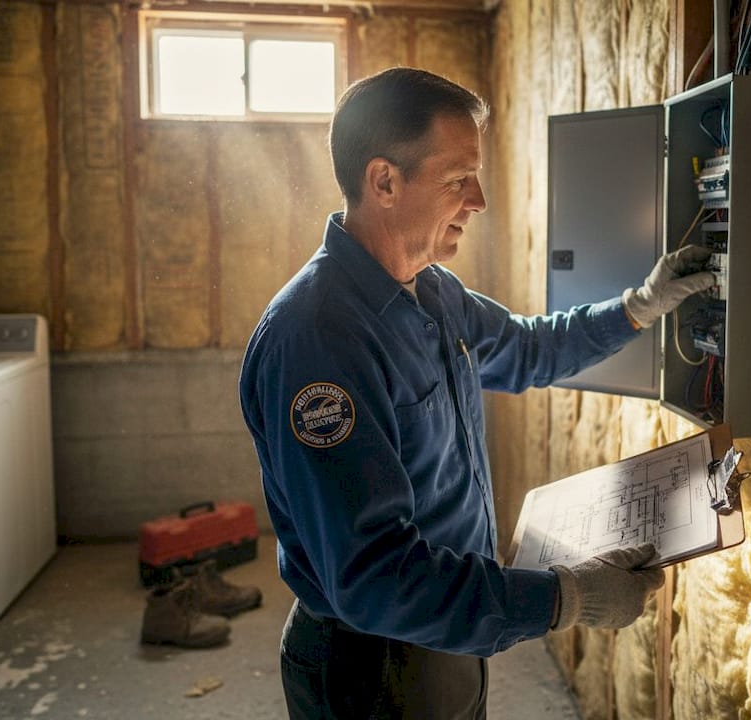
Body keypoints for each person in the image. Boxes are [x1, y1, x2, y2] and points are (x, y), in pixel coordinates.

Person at [238, 66, 716, 719]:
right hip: (373, 664)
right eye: (459, 178)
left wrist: (638, 306)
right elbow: (376, 577)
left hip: (447, 634)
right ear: (384, 181)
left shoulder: (431, 290)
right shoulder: (318, 339)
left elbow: (528, 349)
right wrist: (563, 600)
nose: (480, 200)